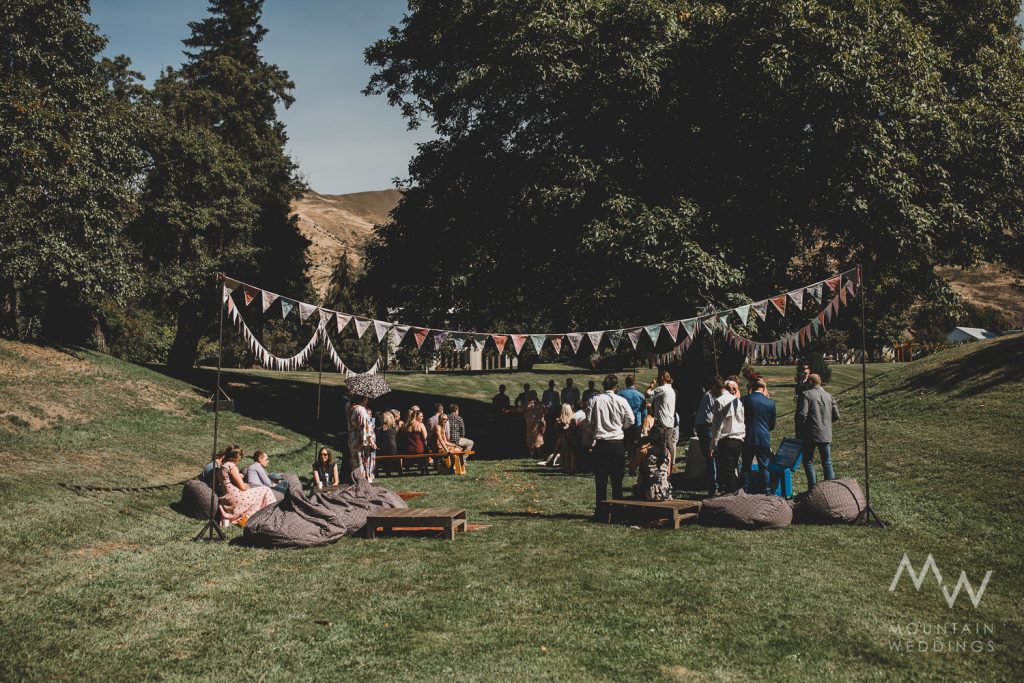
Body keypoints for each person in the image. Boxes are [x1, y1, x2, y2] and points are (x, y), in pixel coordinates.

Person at [583, 374, 635, 514]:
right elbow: (631, 420)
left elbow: (588, 421)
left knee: (601, 481)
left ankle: (601, 512)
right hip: (617, 443)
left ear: (603, 386)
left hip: (602, 443)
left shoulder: (595, 400)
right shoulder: (621, 400)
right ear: (616, 387)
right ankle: (618, 511)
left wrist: (595, 429)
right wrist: (621, 427)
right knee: (617, 481)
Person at [796, 373, 839, 489]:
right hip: (826, 432)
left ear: (810, 382)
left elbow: (802, 414)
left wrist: (801, 428)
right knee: (827, 461)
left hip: (810, 433)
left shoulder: (806, 395)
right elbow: (836, 415)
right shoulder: (829, 396)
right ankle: (830, 487)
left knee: (808, 461)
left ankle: (813, 487)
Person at [638, 371, 676, 501]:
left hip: (661, 423)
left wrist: (651, 384)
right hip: (670, 422)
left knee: (658, 448)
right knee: (668, 447)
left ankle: (658, 470)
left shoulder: (662, 389)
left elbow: (647, 394)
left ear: (662, 379)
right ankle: (668, 469)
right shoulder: (671, 390)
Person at [215, 447, 276, 525]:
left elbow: (227, 481)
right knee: (266, 490)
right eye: (240, 455)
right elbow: (243, 487)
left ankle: (248, 517)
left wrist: (238, 477)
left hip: (226, 497)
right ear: (236, 455)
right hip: (236, 498)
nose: (240, 457)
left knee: (259, 493)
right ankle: (266, 516)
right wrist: (245, 484)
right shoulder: (231, 466)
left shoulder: (222, 466)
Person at [740, 378, 776, 494]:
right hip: (763, 437)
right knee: (764, 466)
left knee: (746, 466)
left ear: (752, 387)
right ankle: (767, 491)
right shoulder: (770, 403)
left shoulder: (745, 399)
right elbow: (772, 424)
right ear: (764, 388)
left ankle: (745, 490)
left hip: (748, 436)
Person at [710, 379, 746, 495]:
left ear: (715, 387)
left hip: (727, 439)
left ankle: (735, 496)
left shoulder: (719, 401)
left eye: (711, 390)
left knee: (728, 472)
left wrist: (713, 445)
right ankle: (735, 492)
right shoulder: (736, 400)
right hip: (739, 439)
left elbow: (717, 426)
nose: (711, 392)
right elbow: (742, 420)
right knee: (733, 470)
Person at [695, 377, 722, 497]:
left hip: (704, 426)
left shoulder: (709, 395)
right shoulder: (710, 395)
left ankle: (713, 483)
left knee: (711, 457)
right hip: (707, 427)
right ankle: (713, 487)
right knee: (712, 456)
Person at [348, 395, 377, 483]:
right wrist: (370, 442)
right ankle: (363, 484)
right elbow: (365, 427)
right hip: (360, 440)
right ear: (364, 399)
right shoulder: (361, 410)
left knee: (355, 462)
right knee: (363, 463)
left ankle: (357, 481)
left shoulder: (351, 409)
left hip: (352, 438)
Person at [618, 375, 647, 457]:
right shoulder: (640, 395)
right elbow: (644, 412)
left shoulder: (620, 394)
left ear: (626, 382)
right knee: (636, 443)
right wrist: (644, 425)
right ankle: (633, 458)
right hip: (637, 422)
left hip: (624, 422)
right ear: (634, 382)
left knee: (625, 442)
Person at [522, 391, 546, 461]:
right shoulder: (541, 404)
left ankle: (532, 454)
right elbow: (546, 411)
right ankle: (539, 454)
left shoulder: (527, 404)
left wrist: (508, 411)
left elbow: (519, 410)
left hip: (531, 424)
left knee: (531, 438)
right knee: (540, 437)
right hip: (541, 423)